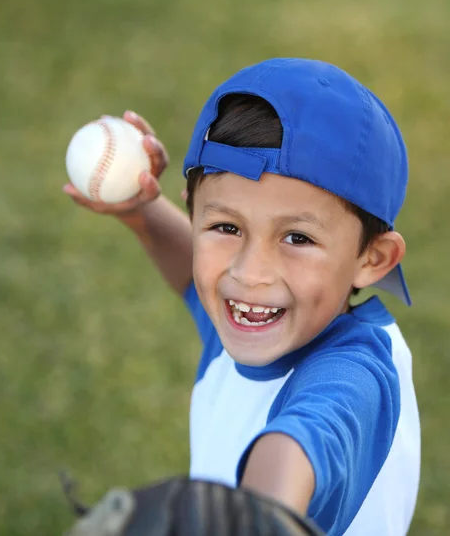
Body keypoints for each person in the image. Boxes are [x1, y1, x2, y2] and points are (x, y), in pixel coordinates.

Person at [63, 58, 420, 535]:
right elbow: (195, 281)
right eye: (226, 227)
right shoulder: (256, 318)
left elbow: (300, 444)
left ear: (372, 259)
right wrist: (142, 211)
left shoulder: (355, 376)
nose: (249, 273)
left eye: (297, 238)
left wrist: (253, 517)